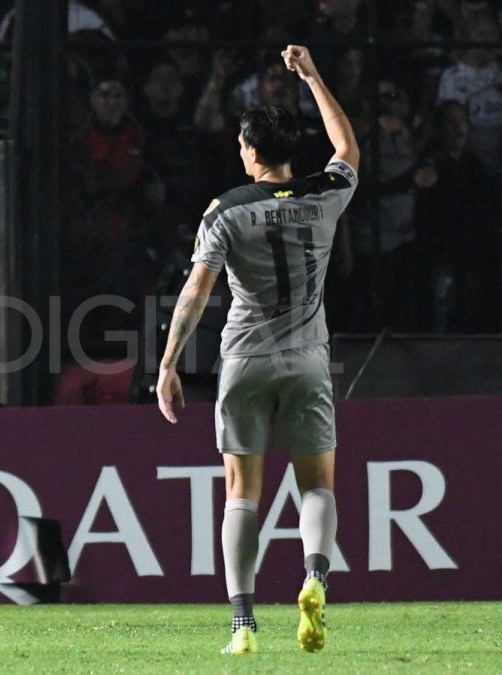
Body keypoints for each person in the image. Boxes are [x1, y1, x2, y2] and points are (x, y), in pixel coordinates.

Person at [155, 45, 359, 656]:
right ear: (291, 149)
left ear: (249, 150)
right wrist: (314, 75)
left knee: (241, 491)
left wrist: (167, 364)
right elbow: (346, 147)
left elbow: (195, 292)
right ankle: (315, 577)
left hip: (245, 360)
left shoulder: (225, 211)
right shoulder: (326, 194)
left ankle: (242, 624)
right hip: (308, 358)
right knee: (317, 483)